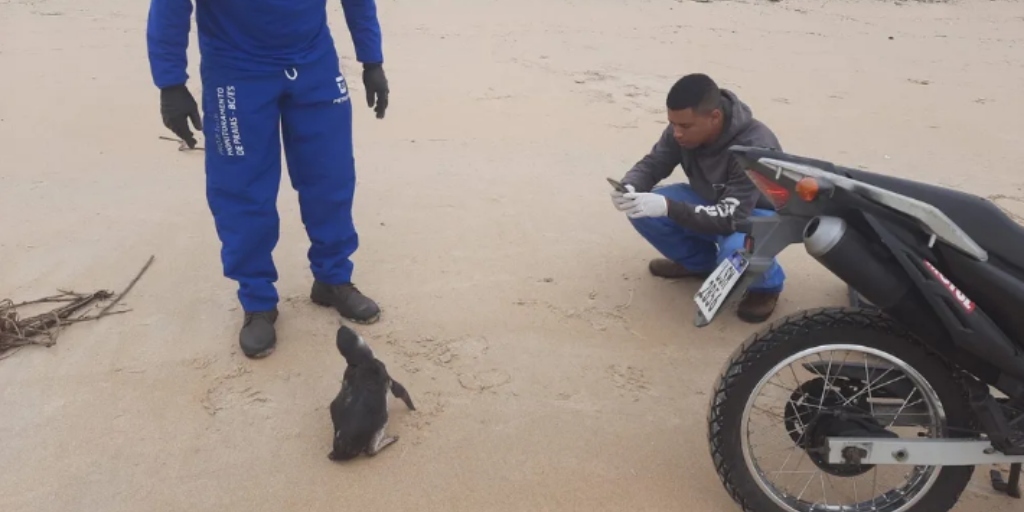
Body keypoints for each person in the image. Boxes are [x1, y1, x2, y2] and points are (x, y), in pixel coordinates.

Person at [146, 0, 390, 358]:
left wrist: (372, 60)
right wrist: (171, 83)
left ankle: (333, 278)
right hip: (236, 68)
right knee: (242, 190)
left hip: (313, 62)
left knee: (331, 176)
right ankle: (257, 300)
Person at [610, 73, 786, 323]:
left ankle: (766, 288)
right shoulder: (682, 129)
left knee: (736, 250)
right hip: (711, 199)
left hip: (754, 214)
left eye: (684, 126)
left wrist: (669, 207)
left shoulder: (754, 146)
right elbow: (655, 162)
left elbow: (730, 218)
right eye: (672, 124)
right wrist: (629, 186)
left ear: (714, 116)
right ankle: (699, 265)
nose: (677, 133)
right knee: (641, 210)